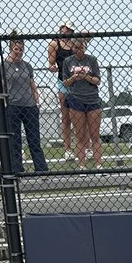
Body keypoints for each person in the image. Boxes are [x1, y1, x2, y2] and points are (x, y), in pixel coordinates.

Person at [2, 33, 49, 175]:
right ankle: (17, 169)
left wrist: (36, 100)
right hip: (13, 105)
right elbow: (3, 85)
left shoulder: (27, 66)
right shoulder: (4, 65)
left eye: (21, 49)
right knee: (15, 140)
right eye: (16, 49)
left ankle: (41, 169)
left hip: (29, 105)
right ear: (11, 48)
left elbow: (32, 84)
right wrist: (6, 103)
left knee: (34, 139)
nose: (19, 51)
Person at [61, 32, 104, 169]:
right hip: (76, 99)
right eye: (75, 48)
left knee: (95, 135)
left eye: (80, 48)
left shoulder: (91, 60)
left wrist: (87, 77)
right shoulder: (68, 62)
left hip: (92, 99)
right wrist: (74, 78)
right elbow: (65, 83)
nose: (78, 50)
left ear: (85, 47)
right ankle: (82, 165)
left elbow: (98, 80)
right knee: (79, 135)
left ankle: (99, 164)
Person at [48, 21, 76, 160]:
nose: (66, 32)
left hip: (77, 83)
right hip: (63, 82)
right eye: (65, 29)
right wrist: (53, 67)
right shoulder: (54, 44)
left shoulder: (74, 43)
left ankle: (86, 146)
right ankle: (68, 149)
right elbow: (51, 63)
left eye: (69, 30)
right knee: (66, 117)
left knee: (80, 116)